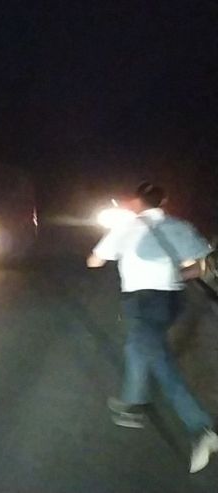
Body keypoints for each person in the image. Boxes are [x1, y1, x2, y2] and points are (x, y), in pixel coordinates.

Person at [87, 182, 217, 473]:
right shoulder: (180, 227)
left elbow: (94, 261)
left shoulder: (125, 228)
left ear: (137, 202)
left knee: (159, 360)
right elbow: (199, 267)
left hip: (143, 303)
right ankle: (133, 403)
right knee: (138, 346)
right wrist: (172, 270)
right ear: (163, 201)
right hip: (172, 300)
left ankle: (200, 429)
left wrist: (112, 253)